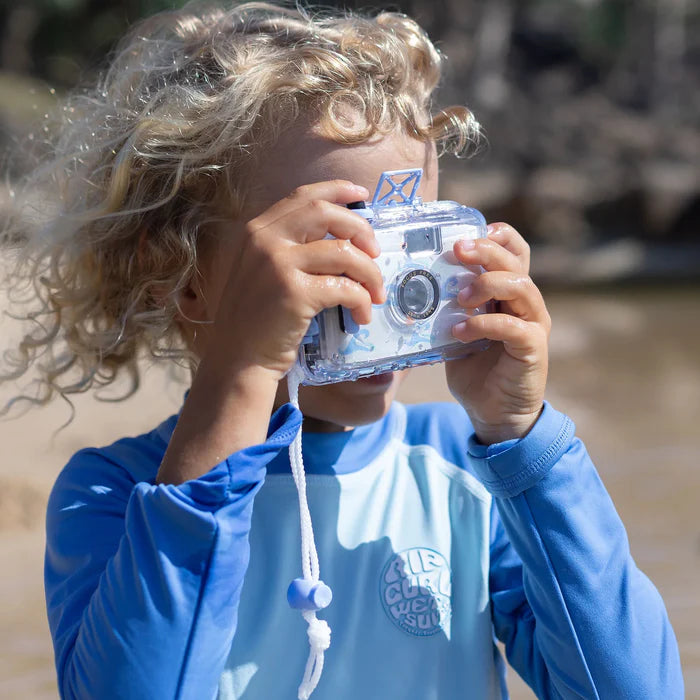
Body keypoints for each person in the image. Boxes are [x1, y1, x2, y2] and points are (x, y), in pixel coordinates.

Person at [1, 2, 683, 698]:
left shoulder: (466, 472)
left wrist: (526, 442)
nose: (373, 291)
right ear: (181, 275)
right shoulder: (114, 497)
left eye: (405, 245)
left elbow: (635, 688)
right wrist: (243, 373)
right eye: (328, 247)